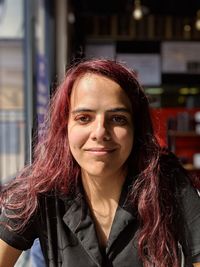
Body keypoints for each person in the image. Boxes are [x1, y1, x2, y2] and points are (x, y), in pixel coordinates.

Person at [0, 58, 200, 267]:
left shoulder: (166, 181)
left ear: (136, 129)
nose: (100, 132)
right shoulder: (39, 189)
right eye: (84, 118)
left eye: (117, 118)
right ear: (64, 126)